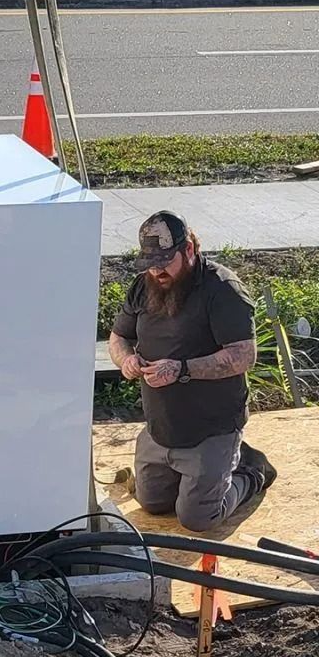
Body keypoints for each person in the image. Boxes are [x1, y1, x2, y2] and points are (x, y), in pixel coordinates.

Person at [108, 210, 276, 533]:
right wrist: (126, 359)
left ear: (189, 250)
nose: (157, 270)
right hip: (162, 428)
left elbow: (244, 355)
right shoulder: (144, 286)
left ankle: (250, 469)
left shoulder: (222, 288)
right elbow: (118, 338)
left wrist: (182, 370)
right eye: (151, 262)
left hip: (210, 429)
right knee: (153, 504)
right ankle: (203, 474)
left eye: (165, 260)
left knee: (197, 518)